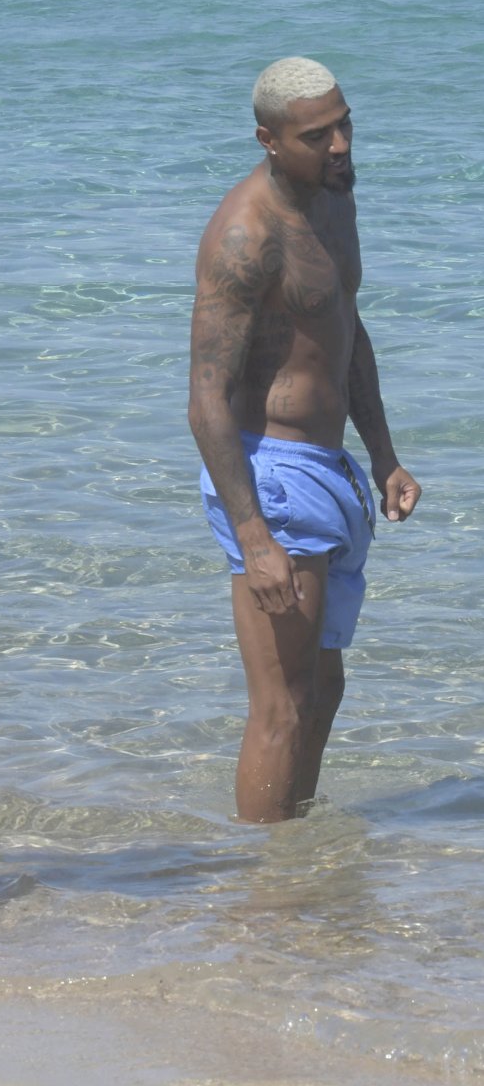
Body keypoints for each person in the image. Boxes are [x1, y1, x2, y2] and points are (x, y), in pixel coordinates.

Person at [188, 57, 420, 824]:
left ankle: (298, 862)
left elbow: (344, 329)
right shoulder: (245, 235)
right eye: (317, 136)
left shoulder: (335, 200)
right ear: (269, 140)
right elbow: (206, 399)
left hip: (330, 467)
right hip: (274, 476)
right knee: (282, 706)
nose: (340, 145)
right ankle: (263, 882)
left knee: (324, 689)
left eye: (344, 125)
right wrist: (254, 537)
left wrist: (382, 455)